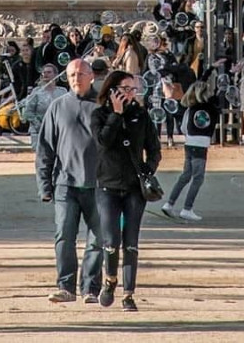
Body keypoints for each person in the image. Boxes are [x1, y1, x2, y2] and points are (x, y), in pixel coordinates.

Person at [91, 70, 161, 312]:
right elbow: (103, 142)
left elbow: (154, 148)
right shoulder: (99, 115)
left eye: (134, 89)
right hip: (107, 186)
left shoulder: (140, 115)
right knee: (111, 240)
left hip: (134, 187)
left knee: (131, 242)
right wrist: (116, 115)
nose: (131, 93)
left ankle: (129, 294)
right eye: (126, 88)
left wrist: (147, 169)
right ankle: (110, 280)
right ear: (113, 90)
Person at [35, 58, 103, 304]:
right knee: (64, 236)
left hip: (99, 185)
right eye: (72, 74)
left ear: (91, 76)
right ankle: (66, 286)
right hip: (65, 183)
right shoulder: (58, 106)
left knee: (98, 238)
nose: (77, 78)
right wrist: (45, 184)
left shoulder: (103, 105)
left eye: (81, 74)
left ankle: (91, 289)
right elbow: (45, 148)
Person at [161, 68, 218, 221]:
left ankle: (169, 203)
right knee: (198, 178)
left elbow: (185, 126)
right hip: (201, 144)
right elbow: (212, 93)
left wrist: (208, 71)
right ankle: (187, 208)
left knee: (186, 175)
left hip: (190, 142)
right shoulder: (211, 107)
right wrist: (211, 71)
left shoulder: (191, 107)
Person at [20, 64, 67, 151]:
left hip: (58, 132)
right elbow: (28, 113)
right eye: (44, 73)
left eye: (49, 72)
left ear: (56, 75)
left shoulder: (63, 92)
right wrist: (40, 126)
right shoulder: (36, 92)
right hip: (39, 132)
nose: (46, 74)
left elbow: (67, 112)